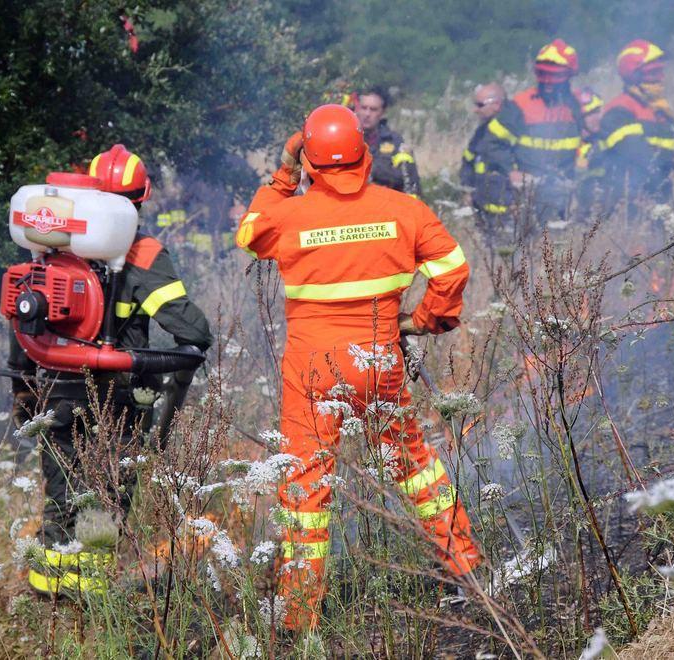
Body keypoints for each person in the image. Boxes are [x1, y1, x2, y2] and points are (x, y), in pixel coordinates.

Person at [237, 105, 480, 631]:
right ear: (365, 156)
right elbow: (454, 269)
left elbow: (249, 234)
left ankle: (299, 613)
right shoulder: (404, 208)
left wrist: (284, 172)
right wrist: (426, 320)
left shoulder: (289, 215)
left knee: (305, 484)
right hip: (379, 358)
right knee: (415, 465)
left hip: (310, 367)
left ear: (310, 164)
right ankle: (464, 564)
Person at [9, 144, 213, 596]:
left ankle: (48, 597)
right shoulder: (141, 252)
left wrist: (23, 393)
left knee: (61, 491)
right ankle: (91, 604)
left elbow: (23, 321)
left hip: (56, 389)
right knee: (105, 496)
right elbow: (190, 327)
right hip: (119, 399)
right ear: (142, 198)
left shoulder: (48, 245)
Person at [484, 39, 584, 224]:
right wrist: (511, 172)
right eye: (542, 75)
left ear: (569, 76)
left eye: (553, 77)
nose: (547, 82)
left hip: (563, 192)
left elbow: (584, 143)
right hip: (526, 194)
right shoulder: (520, 106)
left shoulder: (576, 106)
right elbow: (491, 143)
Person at [598, 40, 674, 209]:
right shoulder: (619, 110)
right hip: (627, 205)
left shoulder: (662, 112)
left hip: (658, 201)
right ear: (634, 76)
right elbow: (641, 158)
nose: (661, 78)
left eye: (660, 72)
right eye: (653, 73)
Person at [460, 83, 513, 226]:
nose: (476, 110)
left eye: (480, 105)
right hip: (482, 206)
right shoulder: (481, 132)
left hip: (508, 210)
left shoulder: (514, 129)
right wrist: (467, 190)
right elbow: (468, 162)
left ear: (496, 104)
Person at [355, 87, 422, 196]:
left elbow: (410, 182)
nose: (367, 114)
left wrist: (374, 170)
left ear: (382, 112)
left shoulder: (395, 142)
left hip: (384, 205)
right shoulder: (344, 139)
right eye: (364, 108)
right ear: (357, 109)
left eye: (373, 109)